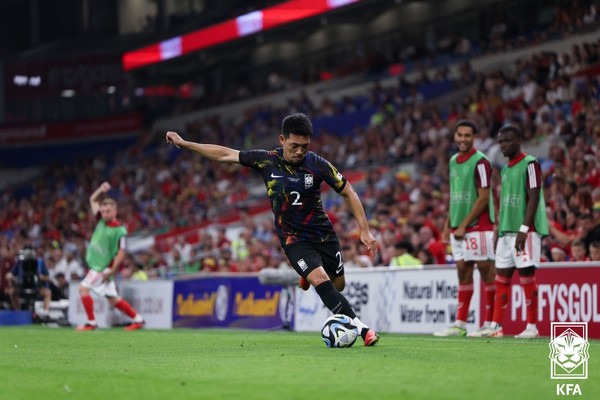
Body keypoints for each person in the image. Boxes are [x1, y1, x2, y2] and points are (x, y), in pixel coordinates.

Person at [166, 113, 380, 346]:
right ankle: (363, 329)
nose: (300, 151)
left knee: (338, 284)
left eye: (305, 146)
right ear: (282, 140)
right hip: (293, 239)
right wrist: (185, 144)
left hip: (323, 233)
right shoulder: (266, 160)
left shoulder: (317, 164)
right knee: (320, 279)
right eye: (294, 146)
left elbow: (348, 190)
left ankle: (305, 275)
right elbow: (226, 154)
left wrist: (364, 230)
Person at [477, 125, 549, 339]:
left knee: (526, 275)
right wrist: (499, 230)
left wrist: (524, 230)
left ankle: (532, 327)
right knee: (502, 277)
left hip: (525, 231)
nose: (502, 145)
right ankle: (497, 326)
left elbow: (534, 197)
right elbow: (506, 204)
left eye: (507, 141)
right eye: (500, 142)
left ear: (518, 140)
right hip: (506, 232)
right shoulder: (506, 168)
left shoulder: (531, 164)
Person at [435, 120, 496, 337]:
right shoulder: (453, 161)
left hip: (478, 227)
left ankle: (491, 324)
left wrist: (463, 225)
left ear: (474, 137)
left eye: (467, 135)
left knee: (487, 272)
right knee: (463, 272)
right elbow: (455, 196)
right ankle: (460, 324)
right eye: (459, 135)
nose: (463, 139)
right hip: (458, 228)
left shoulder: (481, 162)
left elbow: (484, 198)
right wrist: (447, 226)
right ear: (455, 137)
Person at [76, 182, 144, 331]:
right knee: (113, 299)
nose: (105, 213)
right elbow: (93, 200)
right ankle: (138, 320)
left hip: (102, 268)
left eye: (108, 211)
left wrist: (112, 269)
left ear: (114, 211)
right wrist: (100, 190)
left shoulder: (120, 231)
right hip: (98, 266)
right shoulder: (101, 220)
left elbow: (122, 251)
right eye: (103, 210)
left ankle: (91, 323)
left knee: (83, 289)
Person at [5, 246, 52, 316]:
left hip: (37, 288)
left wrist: (42, 277)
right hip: (22, 287)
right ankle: (19, 312)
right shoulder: (20, 262)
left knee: (48, 292)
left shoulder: (40, 262)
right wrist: (10, 276)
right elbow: (10, 274)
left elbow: (48, 277)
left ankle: (46, 312)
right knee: (12, 292)